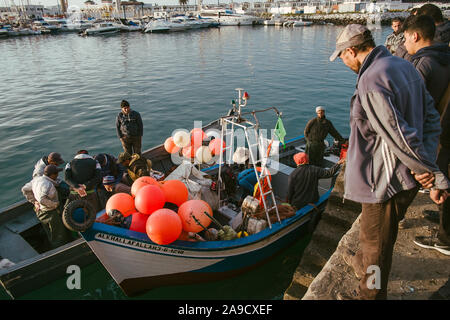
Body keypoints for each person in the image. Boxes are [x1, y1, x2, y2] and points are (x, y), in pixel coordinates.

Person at [329, 24, 449, 300]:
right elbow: (432, 118)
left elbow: (398, 134)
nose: (343, 63)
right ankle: (362, 264)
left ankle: (370, 295)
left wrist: (427, 171)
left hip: (382, 183)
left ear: (351, 51)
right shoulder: (404, 65)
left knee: (376, 250)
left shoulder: (371, 80)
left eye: (342, 57)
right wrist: (427, 162)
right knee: (374, 238)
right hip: (400, 179)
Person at [402, 15, 450, 255]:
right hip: (441, 128)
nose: (404, 44)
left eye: (405, 38)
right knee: (442, 180)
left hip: (430, 133)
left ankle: (444, 236)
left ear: (415, 35)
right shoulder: (445, 57)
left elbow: (409, 105)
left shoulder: (422, 64)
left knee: (436, 179)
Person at [22, 165, 73, 248]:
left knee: (50, 231)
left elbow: (24, 189)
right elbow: (42, 199)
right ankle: (60, 249)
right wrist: (54, 204)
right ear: (52, 175)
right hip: (50, 213)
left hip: (39, 211)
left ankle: (52, 243)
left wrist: (34, 201)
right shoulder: (47, 185)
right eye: (56, 174)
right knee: (59, 234)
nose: (57, 175)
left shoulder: (37, 179)